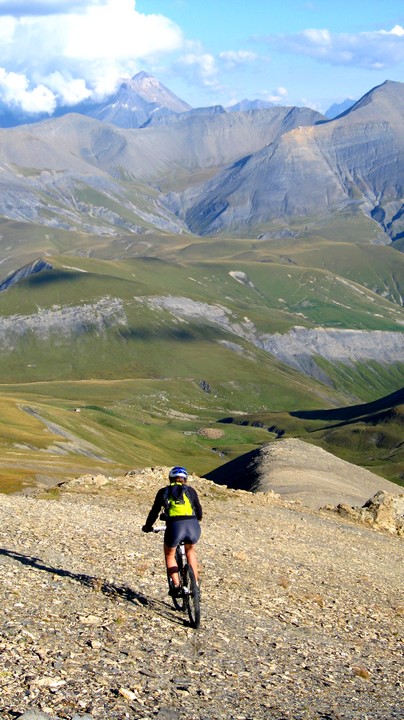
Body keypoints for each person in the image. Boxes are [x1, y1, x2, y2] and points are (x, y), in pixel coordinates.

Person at [142, 466, 202, 594]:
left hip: (175, 527)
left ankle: (177, 586)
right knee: (190, 551)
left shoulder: (163, 491)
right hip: (193, 525)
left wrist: (148, 526)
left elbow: (154, 512)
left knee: (170, 554)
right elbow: (199, 512)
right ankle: (195, 584)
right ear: (185, 479)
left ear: (170, 479)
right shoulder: (190, 491)